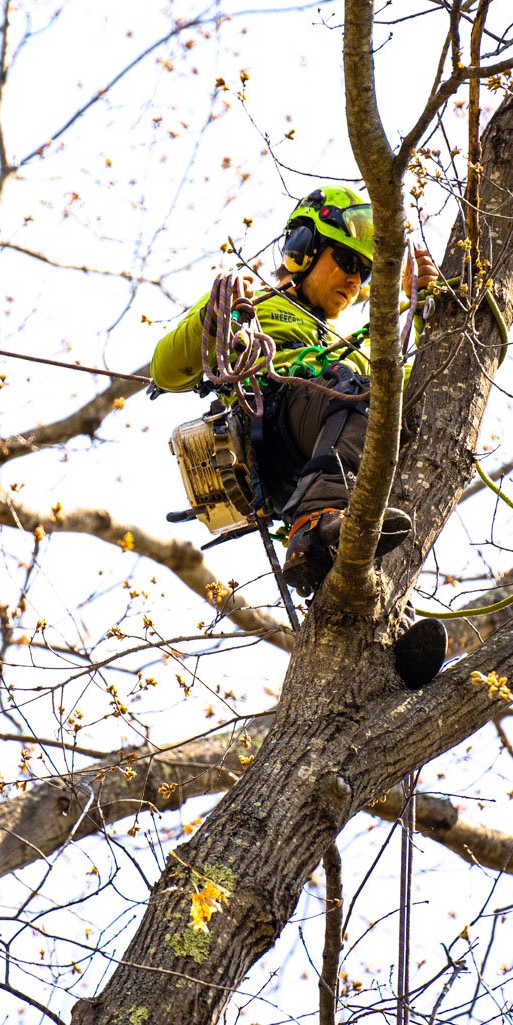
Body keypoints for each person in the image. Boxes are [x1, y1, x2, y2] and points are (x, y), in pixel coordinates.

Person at [152, 185, 447, 688]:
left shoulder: (350, 351)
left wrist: (426, 306)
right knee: (358, 393)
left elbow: (412, 396)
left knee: (386, 413)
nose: (355, 279)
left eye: (366, 271)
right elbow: (165, 368)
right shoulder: (254, 303)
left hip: (329, 448)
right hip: (272, 421)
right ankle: (314, 528)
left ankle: (389, 634)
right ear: (304, 248)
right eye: (346, 260)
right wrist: (214, 315)